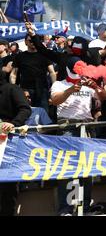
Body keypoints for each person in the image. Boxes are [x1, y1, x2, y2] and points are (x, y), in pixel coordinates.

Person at [50, 56, 106, 216]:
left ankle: (86, 207)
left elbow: (103, 97)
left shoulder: (88, 84)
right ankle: (66, 209)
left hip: (87, 128)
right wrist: (70, 90)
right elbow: (55, 100)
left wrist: (96, 86)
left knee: (87, 170)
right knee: (67, 169)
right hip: (68, 127)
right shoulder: (59, 84)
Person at [0, 71, 32, 216]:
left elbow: (25, 109)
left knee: (7, 186)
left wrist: (13, 124)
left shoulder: (12, 89)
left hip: (8, 144)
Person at [10, 34, 56, 112]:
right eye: (31, 41)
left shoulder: (45, 55)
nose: (33, 42)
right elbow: (13, 74)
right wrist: (13, 89)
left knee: (43, 115)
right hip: (25, 90)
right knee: (26, 114)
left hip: (42, 90)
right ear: (25, 42)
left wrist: (54, 87)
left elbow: (52, 72)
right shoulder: (20, 56)